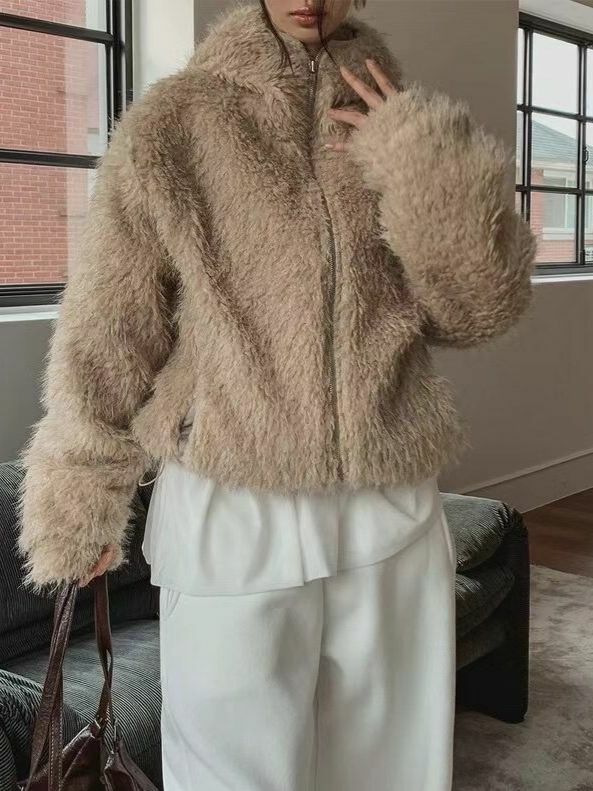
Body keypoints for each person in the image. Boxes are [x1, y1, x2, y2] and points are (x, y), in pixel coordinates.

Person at [17, 0, 537, 789]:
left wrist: (419, 164)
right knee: (231, 771)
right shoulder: (174, 123)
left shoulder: (397, 119)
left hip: (386, 511)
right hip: (232, 512)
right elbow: (109, 330)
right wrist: (80, 496)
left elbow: (477, 311)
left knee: (390, 771)